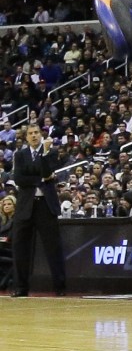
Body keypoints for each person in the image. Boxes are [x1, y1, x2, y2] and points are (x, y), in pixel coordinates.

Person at [10, 122, 66, 297]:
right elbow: (18, 179)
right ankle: (21, 288)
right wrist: (41, 178)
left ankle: (60, 287)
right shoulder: (20, 155)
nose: (34, 135)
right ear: (26, 137)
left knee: (53, 248)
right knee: (20, 247)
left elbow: (47, 170)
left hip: (46, 204)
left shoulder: (51, 152)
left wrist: (43, 160)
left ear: (41, 135)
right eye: (30, 133)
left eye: (36, 132)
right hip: (25, 205)